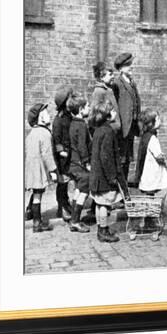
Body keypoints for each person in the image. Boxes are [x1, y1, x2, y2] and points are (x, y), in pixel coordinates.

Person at [89, 100, 130, 243]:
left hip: (97, 175)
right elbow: (106, 157)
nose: (115, 113)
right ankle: (103, 231)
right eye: (112, 111)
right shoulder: (108, 132)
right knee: (104, 204)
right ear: (107, 115)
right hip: (104, 176)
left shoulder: (98, 130)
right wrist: (112, 176)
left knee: (99, 203)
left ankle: (101, 228)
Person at [135, 108, 167, 231]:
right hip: (151, 173)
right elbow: (158, 155)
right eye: (158, 119)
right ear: (152, 123)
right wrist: (164, 161)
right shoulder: (152, 139)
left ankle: (147, 219)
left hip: (146, 173)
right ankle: (149, 220)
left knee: (150, 196)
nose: (160, 121)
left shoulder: (146, 136)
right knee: (151, 196)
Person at [25, 103, 58, 233]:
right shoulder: (44, 133)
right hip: (39, 168)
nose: (49, 115)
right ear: (40, 117)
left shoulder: (32, 133)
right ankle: (37, 223)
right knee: (38, 195)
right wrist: (52, 170)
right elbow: (47, 154)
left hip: (31, 168)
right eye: (45, 113)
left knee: (36, 193)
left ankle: (33, 217)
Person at [111, 52, 141, 182]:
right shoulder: (117, 83)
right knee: (121, 158)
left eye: (131, 64)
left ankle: (125, 187)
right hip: (122, 128)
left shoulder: (132, 82)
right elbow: (113, 104)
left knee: (128, 158)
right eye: (128, 65)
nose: (131, 67)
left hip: (131, 127)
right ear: (121, 68)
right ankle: (120, 189)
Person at [67, 95, 91, 233]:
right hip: (81, 164)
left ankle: (73, 219)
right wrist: (87, 162)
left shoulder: (73, 123)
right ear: (81, 109)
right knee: (84, 190)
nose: (89, 108)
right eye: (87, 106)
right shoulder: (81, 125)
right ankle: (76, 221)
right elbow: (82, 146)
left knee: (78, 190)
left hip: (73, 164)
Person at [52, 85, 74, 221]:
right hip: (62, 157)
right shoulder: (58, 120)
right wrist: (61, 151)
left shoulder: (69, 116)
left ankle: (65, 204)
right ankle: (62, 205)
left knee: (66, 181)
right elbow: (56, 138)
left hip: (69, 153)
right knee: (62, 182)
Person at [90, 61, 121, 134]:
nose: (113, 76)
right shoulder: (99, 92)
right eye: (110, 74)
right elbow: (94, 116)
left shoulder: (108, 90)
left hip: (113, 132)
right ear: (102, 76)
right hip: (107, 133)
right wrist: (109, 119)